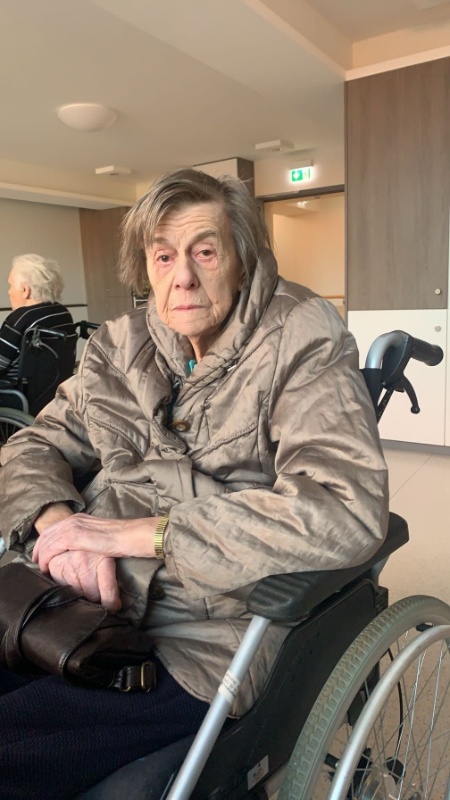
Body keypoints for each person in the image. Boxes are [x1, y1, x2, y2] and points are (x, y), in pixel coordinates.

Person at [0, 169, 389, 799]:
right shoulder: (116, 346)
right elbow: (32, 444)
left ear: (242, 259)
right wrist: (61, 528)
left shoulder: (302, 335)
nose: (182, 276)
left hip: (202, 636)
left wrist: (144, 535)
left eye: (205, 251)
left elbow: (345, 508)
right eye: (163, 256)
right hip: (71, 601)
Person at [0, 253, 75, 384]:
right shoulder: (63, 313)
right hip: (55, 391)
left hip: (14, 393)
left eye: (10, 285)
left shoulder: (20, 319)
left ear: (25, 290)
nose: (9, 291)